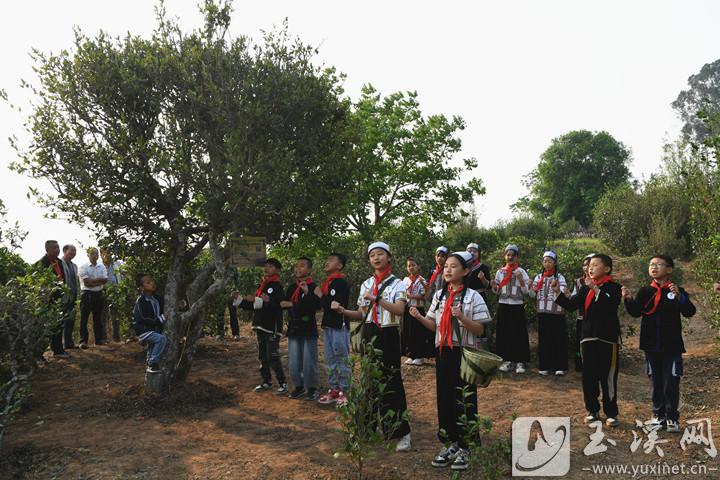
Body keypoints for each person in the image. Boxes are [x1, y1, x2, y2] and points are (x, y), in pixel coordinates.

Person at [409, 251, 492, 471]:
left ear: (466, 271)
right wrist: (419, 318)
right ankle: (452, 443)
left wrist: (462, 317)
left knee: (464, 398)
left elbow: (481, 329)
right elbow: (433, 325)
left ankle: (467, 445)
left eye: (453, 266)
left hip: (464, 353)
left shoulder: (473, 296)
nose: (447, 269)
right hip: (443, 352)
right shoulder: (439, 296)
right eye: (446, 266)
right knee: (444, 397)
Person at [333, 241, 412, 452]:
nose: (376, 258)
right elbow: (361, 313)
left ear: (389, 257)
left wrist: (377, 299)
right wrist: (343, 311)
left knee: (391, 381)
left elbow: (399, 310)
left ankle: (401, 433)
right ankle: (366, 430)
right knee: (369, 383)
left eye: (380, 254)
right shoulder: (366, 284)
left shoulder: (398, 284)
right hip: (369, 333)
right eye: (372, 255)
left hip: (388, 334)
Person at [622, 255, 696, 433]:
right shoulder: (645, 291)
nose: (654, 267)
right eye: (651, 264)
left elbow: (689, 312)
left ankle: (672, 417)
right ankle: (657, 415)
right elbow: (635, 312)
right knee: (655, 381)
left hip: (671, 345)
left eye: (658, 264)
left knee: (671, 382)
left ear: (669, 269)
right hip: (650, 344)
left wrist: (680, 297)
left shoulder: (677, 290)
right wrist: (628, 299)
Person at [553, 254, 622, 427]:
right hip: (587, 337)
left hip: (608, 338)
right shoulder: (585, 288)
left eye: (595, 265)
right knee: (588, 376)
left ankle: (611, 413)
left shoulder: (614, 287)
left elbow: (610, 305)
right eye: (589, 265)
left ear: (606, 269)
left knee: (607, 377)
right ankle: (592, 410)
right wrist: (557, 293)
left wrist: (595, 289)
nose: (590, 268)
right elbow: (571, 305)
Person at [237, 258, 287, 393]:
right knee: (262, 356)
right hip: (260, 325)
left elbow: (278, 305)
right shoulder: (263, 284)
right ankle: (266, 381)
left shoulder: (277, 286)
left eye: (270, 266)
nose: (267, 268)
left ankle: (282, 382)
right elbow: (256, 305)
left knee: (273, 356)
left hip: (272, 326)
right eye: (266, 266)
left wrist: (261, 300)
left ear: (277, 270)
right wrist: (240, 300)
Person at [280, 257, 321, 400]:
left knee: (309, 360)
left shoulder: (314, 287)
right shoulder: (291, 288)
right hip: (294, 328)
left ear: (309, 270)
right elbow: (283, 304)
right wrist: (294, 305)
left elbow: (316, 306)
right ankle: (298, 386)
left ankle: (312, 388)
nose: (298, 269)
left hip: (308, 328)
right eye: (296, 266)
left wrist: (307, 293)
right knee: (294, 360)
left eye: (302, 266)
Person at [314, 253, 351, 406]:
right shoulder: (328, 283)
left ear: (340, 265)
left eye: (331, 260)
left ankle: (345, 391)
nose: (327, 262)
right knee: (330, 359)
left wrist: (320, 295)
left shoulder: (341, 283)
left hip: (339, 325)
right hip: (328, 325)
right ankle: (334, 389)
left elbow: (335, 305)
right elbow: (324, 305)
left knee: (341, 357)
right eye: (327, 259)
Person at [491, 244, 530, 374]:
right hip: (503, 304)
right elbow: (496, 292)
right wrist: (493, 286)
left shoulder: (522, 271)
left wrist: (520, 279)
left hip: (517, 305)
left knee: (518, 333)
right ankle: (506, 360)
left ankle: (520, 361)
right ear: (505, 256)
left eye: (513, 255)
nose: (510, 257)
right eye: (508, 254)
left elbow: (526, 292)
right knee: (504, 332)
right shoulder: (500, 272)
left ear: (517, 257)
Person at [529, 251, 568, 376]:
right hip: (543, 312)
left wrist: (557, 289)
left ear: (555, 263)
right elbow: (532, 294)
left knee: (558, 339)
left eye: (549, 261)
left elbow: (563, 291)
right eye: (545, 261)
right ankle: (545, 366)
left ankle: (559, 366)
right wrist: (530, 286)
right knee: (544, 339)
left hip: (556, 313)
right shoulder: (538, 278)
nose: (547, 264)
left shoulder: (559, 277)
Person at [37, 240, 70, 358]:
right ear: (47, 249)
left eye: (58, 247)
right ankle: (39, 354)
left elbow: (63, 279)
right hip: (47, 299)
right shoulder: (41, 263)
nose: (57, 249)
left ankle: (58, 350)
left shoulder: (60, 262)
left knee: (58, 325)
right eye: (54, 248)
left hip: (59, 298)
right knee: (45, 327)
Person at [402, 256, 434, 366]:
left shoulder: (422, 280)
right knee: (408, 331)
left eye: (413, 265)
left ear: (418, 267)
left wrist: (411, 296)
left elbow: (424, 296)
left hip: (418, 309)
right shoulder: (405, 280)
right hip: (408, 308)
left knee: (418, 333)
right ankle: (411, 355)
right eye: (409, 265)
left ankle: (419, 355)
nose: (411, 267)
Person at [132, 273, 167, 373]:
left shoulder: (157, 299)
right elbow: (145, 318)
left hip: (153, 329)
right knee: (161, 339)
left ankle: (149, 364)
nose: (152, 283)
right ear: (141, 287)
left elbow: (165, 308)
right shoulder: (141, 301)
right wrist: (162, 319)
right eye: (148, 282)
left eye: (152, 281)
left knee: (153, 344)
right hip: (143, 329)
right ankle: (153, 362)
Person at [78, 247, 108, 348]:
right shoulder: (83, 267)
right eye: (92, 254)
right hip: (86, 294)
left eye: (96, 253)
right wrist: (98, 281)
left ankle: (98, 340)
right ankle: (83, 341)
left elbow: (105, 280)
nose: (95, 255)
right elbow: (87, 283)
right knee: (84, 318)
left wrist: (93, 281)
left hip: (98, 294)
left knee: (97, 318)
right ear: (88, 255)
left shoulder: (101, 266)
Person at [572, 254, 594, 372]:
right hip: (581, 317)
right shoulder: (579, 282)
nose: (586, 267)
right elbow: (573, 298)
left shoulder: (600, 282)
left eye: (589, 264)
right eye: (584, 265)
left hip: (594, 318)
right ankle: (579, 365)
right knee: (579, 342)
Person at [100, 248, 122, 342]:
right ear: (101, 254)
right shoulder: (99, 266)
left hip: (116, 291)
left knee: (116, 315)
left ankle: (116, 337)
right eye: (105, 252)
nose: (108, 254)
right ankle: (103, 337)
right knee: (103, 314)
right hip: (103, 291)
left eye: (109, 252)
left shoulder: (117, 264)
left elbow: (120, 276)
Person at [61, 244, 80, 349]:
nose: (73, 253)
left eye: (75, 251)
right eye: (71, 250)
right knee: (61, 321)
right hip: (63, 296)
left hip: (73, 296)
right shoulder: (60, 263)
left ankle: (69, 342)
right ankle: (60, 344)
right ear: (65, 251)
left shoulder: (74, 265)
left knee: (71, 320)